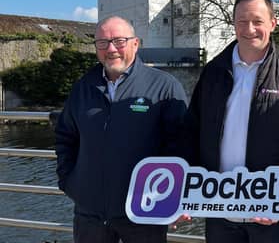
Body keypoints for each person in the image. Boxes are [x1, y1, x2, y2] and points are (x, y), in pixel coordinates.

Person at [182, 0, 279, 243]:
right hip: (219, 210)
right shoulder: (213, 72)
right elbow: (192, 131)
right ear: (233, 24)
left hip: (269, 212)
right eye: (242, 21)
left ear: (272, 23)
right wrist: (189, 188)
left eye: (257, 21)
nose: (250, 29)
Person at [55, 16, 188, 243]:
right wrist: (70, 181)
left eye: (119, 41)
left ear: (135, 43)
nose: (111, 49)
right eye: (103, 43)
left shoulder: (164, 86)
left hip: (144, 212)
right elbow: (66, 136)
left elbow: (182, 148)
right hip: (91, 216)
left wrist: (176, 198)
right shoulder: (83, 87)